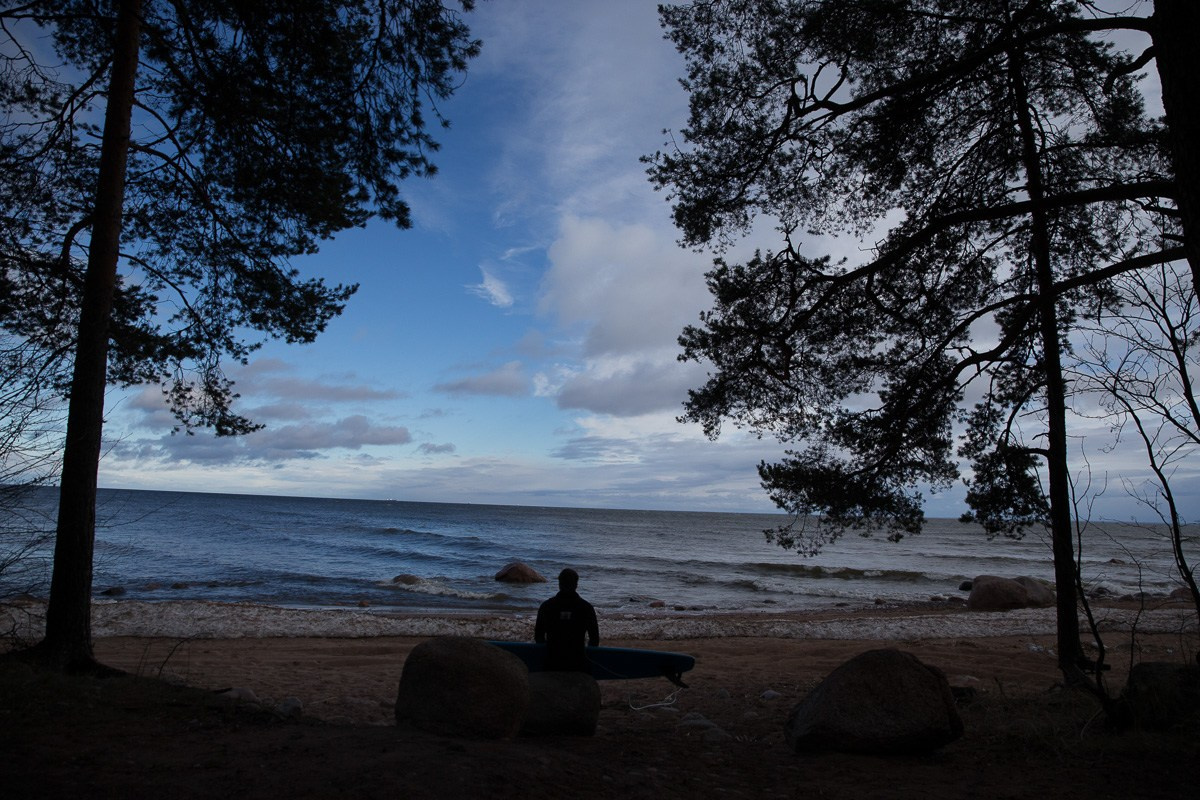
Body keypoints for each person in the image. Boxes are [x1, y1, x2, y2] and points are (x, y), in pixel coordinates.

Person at [534, 567, 599, 673]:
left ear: (559, 584)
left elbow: (538, 636)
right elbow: (595, 639)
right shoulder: (586, 608)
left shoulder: (547, 606)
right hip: (578, 664)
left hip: (552, 663)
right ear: (576, 585)